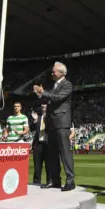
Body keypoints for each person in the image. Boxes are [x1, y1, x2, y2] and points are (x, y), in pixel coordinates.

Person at [33, 62, 75, 191]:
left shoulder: (67, 84)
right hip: (51, 123)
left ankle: (70, 181)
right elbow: (48, 99)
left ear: (62, 73)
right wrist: (40, 94)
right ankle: (55, 180)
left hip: (62, 122)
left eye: (54, 71)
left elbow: (57, 98)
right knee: (52, 154)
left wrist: (44, 92)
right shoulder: (54, 86)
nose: (52, 73)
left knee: (64, 152)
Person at [31, 104, 50, 185]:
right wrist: (35, 121)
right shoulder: (38, 117)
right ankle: (36, 183)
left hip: (48, 144)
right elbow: (31, 129)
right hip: (38, 144)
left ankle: (50, 182)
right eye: (42, 107)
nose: (43, 108)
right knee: (37, 166)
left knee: (49, 166)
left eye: (45, 107)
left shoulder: (51, 117)